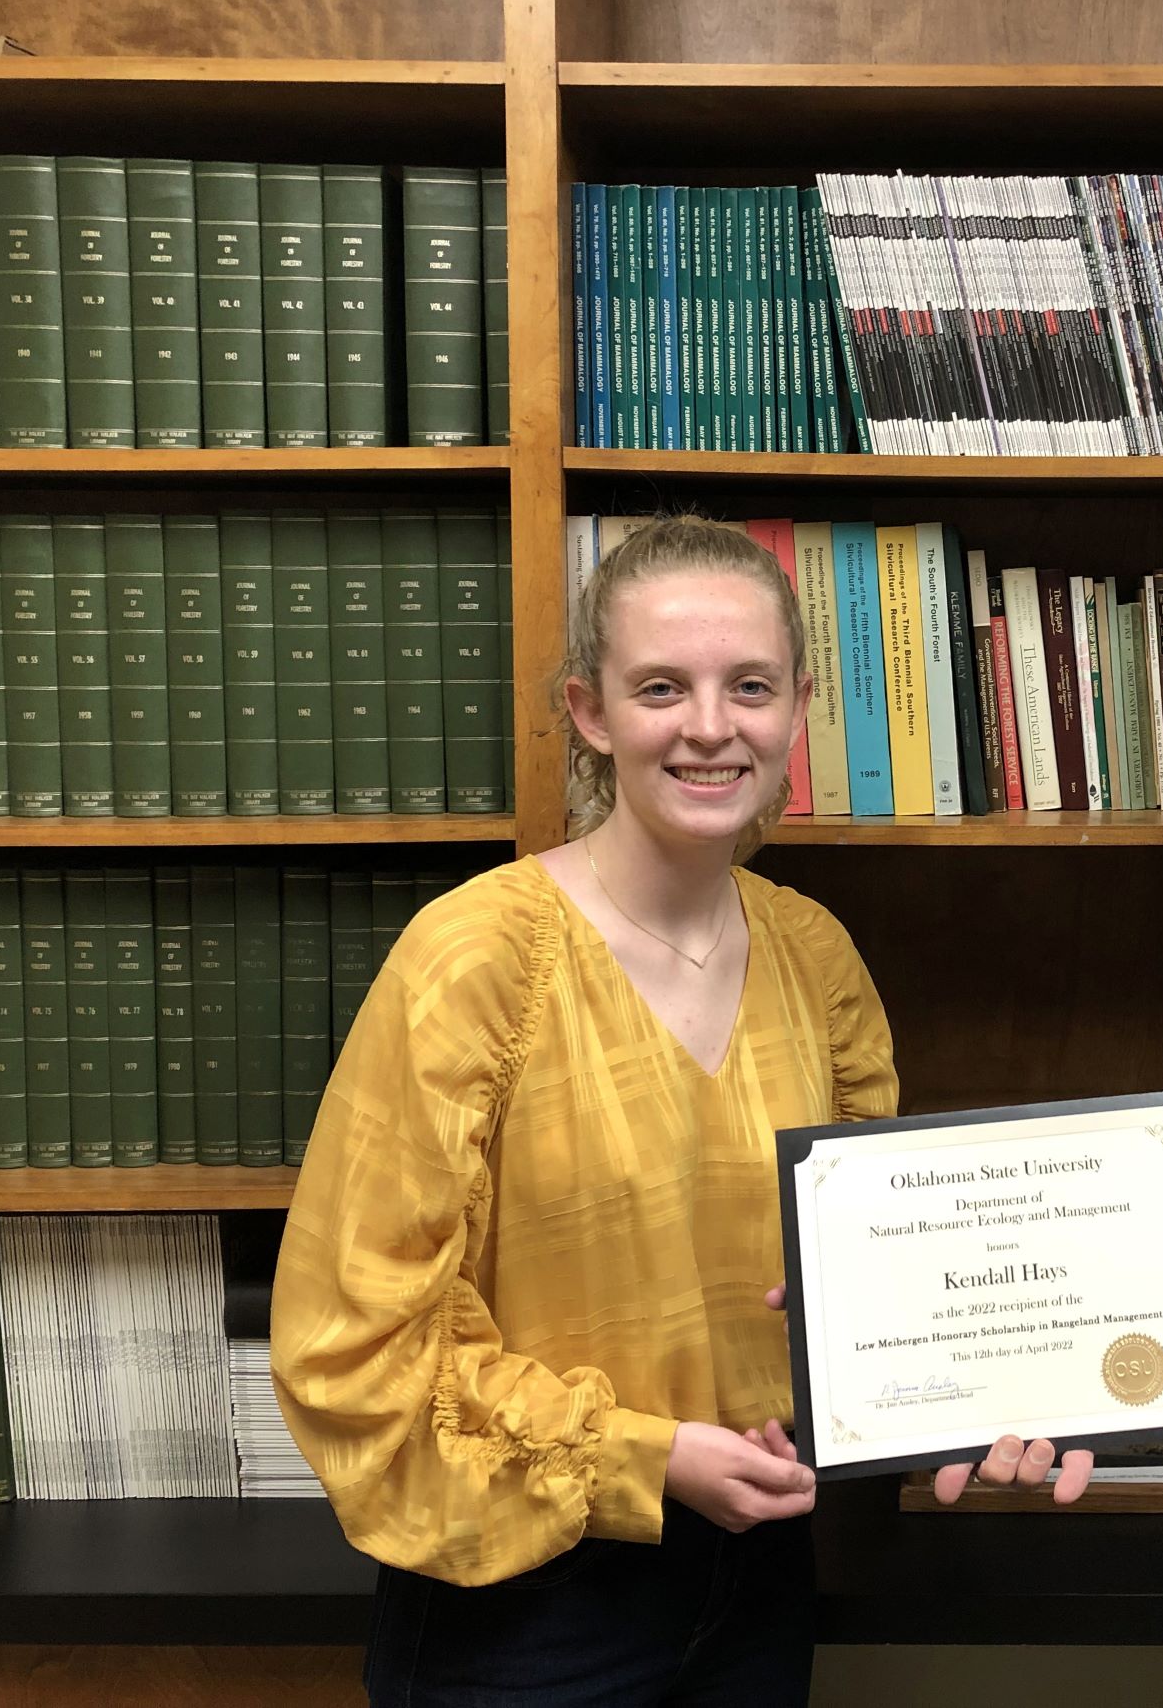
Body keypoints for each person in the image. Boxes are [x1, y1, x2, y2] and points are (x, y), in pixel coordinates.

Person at [271, 514, 899, 1706]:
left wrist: (970, 1387)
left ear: (799, 711)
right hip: (525, 1607)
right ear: (591, 712)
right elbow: (352, 1341)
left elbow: (877, 1264)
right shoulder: (473, 959)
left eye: (750, 686)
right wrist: (643, 1459)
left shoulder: (816, 956)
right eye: (662, 687)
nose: (710, 726)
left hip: (763, 1576)